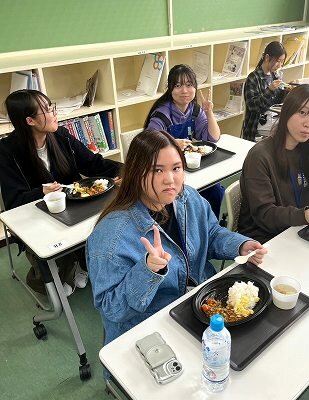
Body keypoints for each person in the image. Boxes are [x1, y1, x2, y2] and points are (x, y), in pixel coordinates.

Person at [86, 129, 267, 347]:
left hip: (198, 305)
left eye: (176, 168)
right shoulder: (111, 235)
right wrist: (148, 271)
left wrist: (240, 245)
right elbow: (110, 308)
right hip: (151, 326)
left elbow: (210, 232)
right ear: (136, 173)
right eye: (157, 170)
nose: (170, 180)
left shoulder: (187, 197)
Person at [0, 89, 121, 296]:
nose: (54, 113)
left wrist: (128, 170)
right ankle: (66, 265)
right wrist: (41, 192)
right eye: (47, 110)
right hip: (37, 218)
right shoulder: (6, 151)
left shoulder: (61, 135)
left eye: (51, 106)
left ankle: (79, 262)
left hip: (74, 209)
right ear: (29, 121)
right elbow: (14, 202)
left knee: (111, 217)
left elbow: (93, 164)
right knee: (58, 289)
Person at [238, 84, 309, 244]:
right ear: (286, 112)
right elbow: (264, 214)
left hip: (301, 231)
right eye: (302, 113)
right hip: (265, 241)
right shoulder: (260, 155)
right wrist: (303, 216)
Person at [143, 64, 224, 219]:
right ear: (171, 89)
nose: (184, 91)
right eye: (178, 85)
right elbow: (149, 146)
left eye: (189, 85)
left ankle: (210, 231)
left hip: (188, 170)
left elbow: (213, 138)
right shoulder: (161, 115)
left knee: (216, 192)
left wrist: (208, 112)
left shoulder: (194, 110)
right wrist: (172, 144)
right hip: (167, 177)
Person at [242, 41, 288, 141]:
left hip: (272, 117)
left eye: (282, 61)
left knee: (290, 124)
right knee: (286, 129)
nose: (280, 65)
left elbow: (277, 102)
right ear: (267, 57)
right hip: (257, 123)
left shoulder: (275, 75)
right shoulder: (253, 78)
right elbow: (253, 106)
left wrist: (287, 91)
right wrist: (270, 90)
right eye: (278, 61)